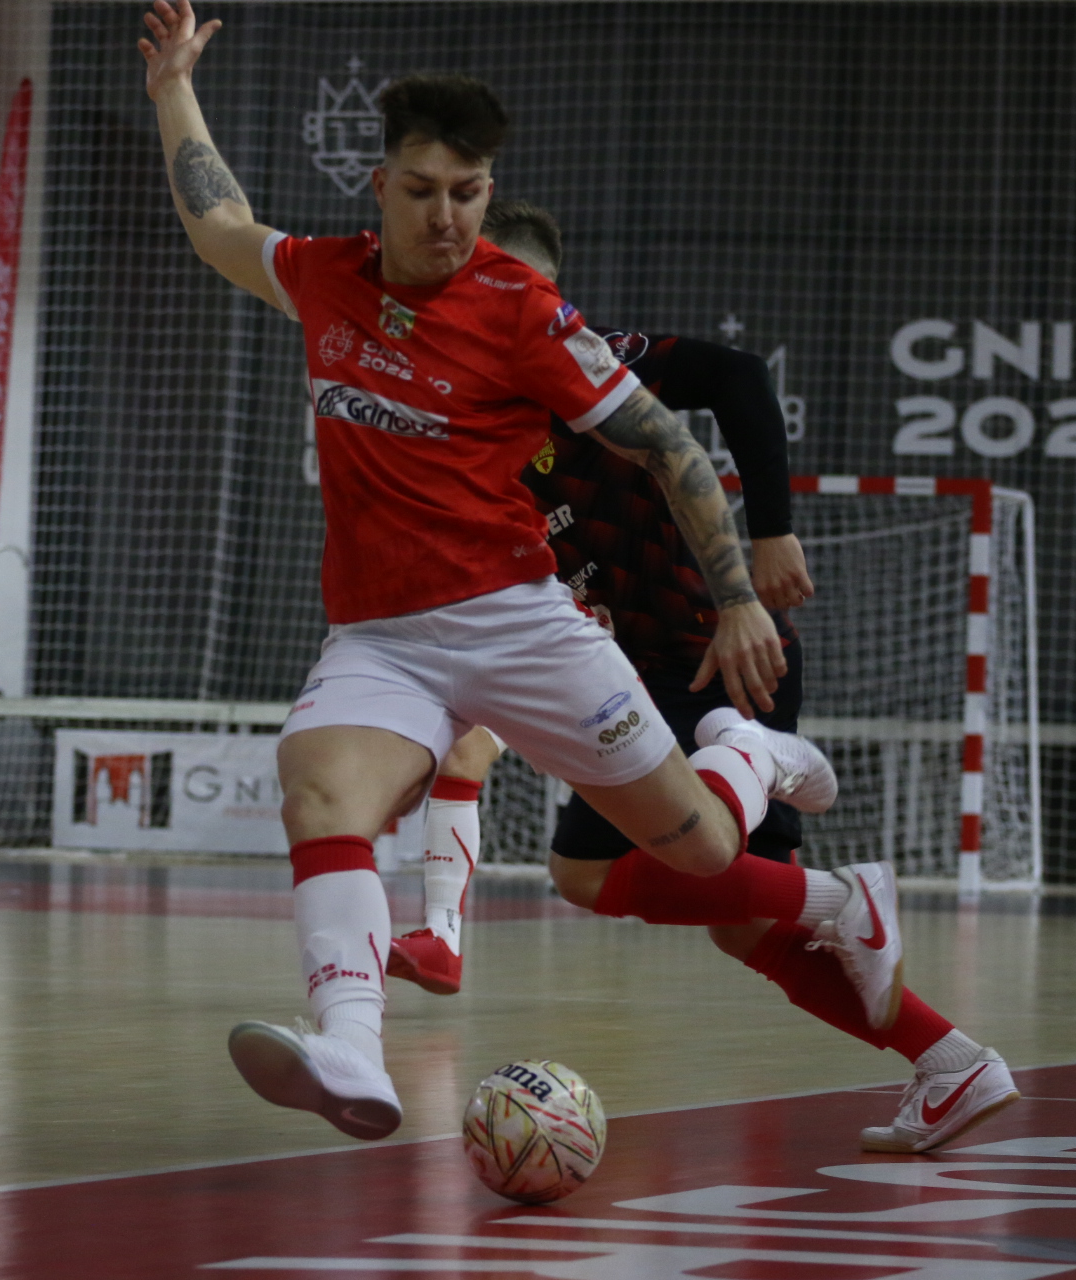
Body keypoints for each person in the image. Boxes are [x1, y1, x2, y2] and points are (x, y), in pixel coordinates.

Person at [140, 0, 898, 1146]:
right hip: (382, 635)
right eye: (422, 190)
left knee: (698, 850)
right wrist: (172, 90)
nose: (446, 215)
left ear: (488, 190)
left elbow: (670, 444)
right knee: (319, 791)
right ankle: (351, 1045)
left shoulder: (521, 309)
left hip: (518, 621)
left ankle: (756, 759)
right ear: (380, 187)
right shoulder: (327, 277)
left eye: (468, 191)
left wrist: (739, 595)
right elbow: (219, 223)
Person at [386, 202, 1020, 1154]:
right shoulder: (471, 411)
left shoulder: (590, 358)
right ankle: (951, 1061)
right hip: (636, 677)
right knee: (738, 919)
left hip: (710, 653)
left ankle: (806, 837)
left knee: (594, 874)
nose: (481, 300)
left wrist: (771, 533)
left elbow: (737, 374)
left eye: (502, 282)